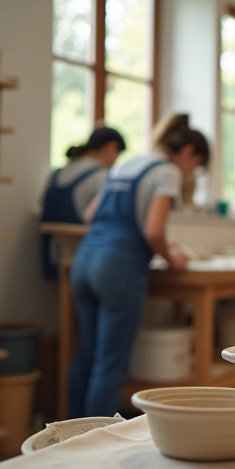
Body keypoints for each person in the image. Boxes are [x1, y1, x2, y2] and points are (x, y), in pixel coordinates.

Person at [68, 113, 209, 418]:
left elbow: (91, 215)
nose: (190, 174)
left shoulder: (126, 163)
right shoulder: (168, 172)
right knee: (109, 363)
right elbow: (153, 231)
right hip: (117, 267)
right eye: (195, 167)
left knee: (87, 354)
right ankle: (96, 444)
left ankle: (67, 436)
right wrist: (173, 258)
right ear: (188, 153)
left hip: (84, 260)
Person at [39, 126, 126, 280]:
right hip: (84, 262)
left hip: (51, 257)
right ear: (111, 147)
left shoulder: (56, 173)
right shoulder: (102, 176)